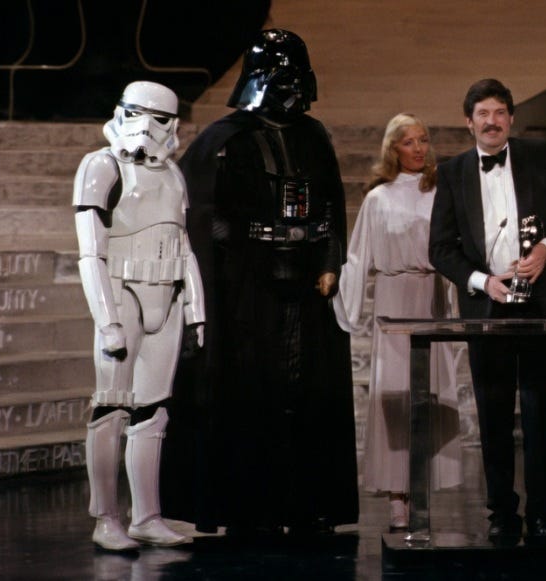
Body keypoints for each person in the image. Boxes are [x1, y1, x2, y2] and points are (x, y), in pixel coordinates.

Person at [160, 29, 358, 537]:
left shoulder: (313, 136)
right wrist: (241, 252)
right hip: (245, 294)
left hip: (307, 289)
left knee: (304, 390)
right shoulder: (223, 140)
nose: (291, 91)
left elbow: (331, 207)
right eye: (282, 79)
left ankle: (306, 504)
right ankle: (249, 507)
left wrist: (329, 260)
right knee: (250, 393)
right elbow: (201, 216)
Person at [429, 79, 546, 541]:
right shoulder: (453, 172)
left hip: (542, 303)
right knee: (493, 415)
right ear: (469, 122)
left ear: (511, 118)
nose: (492, 121)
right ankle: (501, 512)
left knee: (541, 413)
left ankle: (542, 512)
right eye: (483, 113)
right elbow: (440, 249)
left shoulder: (540, 156)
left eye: (499, 112)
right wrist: (483, 282)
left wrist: (545, 249)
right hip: (487, 308)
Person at [73, 80, 206, 551]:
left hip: (166, 296)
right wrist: (107, 319)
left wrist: (196, 308)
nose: (146, 127)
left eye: (159, 118)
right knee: (111, 407)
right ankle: (106, 517)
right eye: (136, 113)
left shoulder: (172, 174)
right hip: (121, 292)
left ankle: (146, 515)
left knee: (153, 412)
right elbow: (90, 253)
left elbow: (183, 244)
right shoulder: (101, 165)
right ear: (120, 112)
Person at [333, 113, 462, 531]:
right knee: (395, 394)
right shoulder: (379, 198)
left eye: (423, 139)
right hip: (393, 296)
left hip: (431, 295)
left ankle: (421, 488)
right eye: (409, 142)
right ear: (393, 149)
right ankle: (396, 497)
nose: (419, 148)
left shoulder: (440, 192)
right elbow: (358, 256)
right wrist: (341, 299)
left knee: (430, 394)